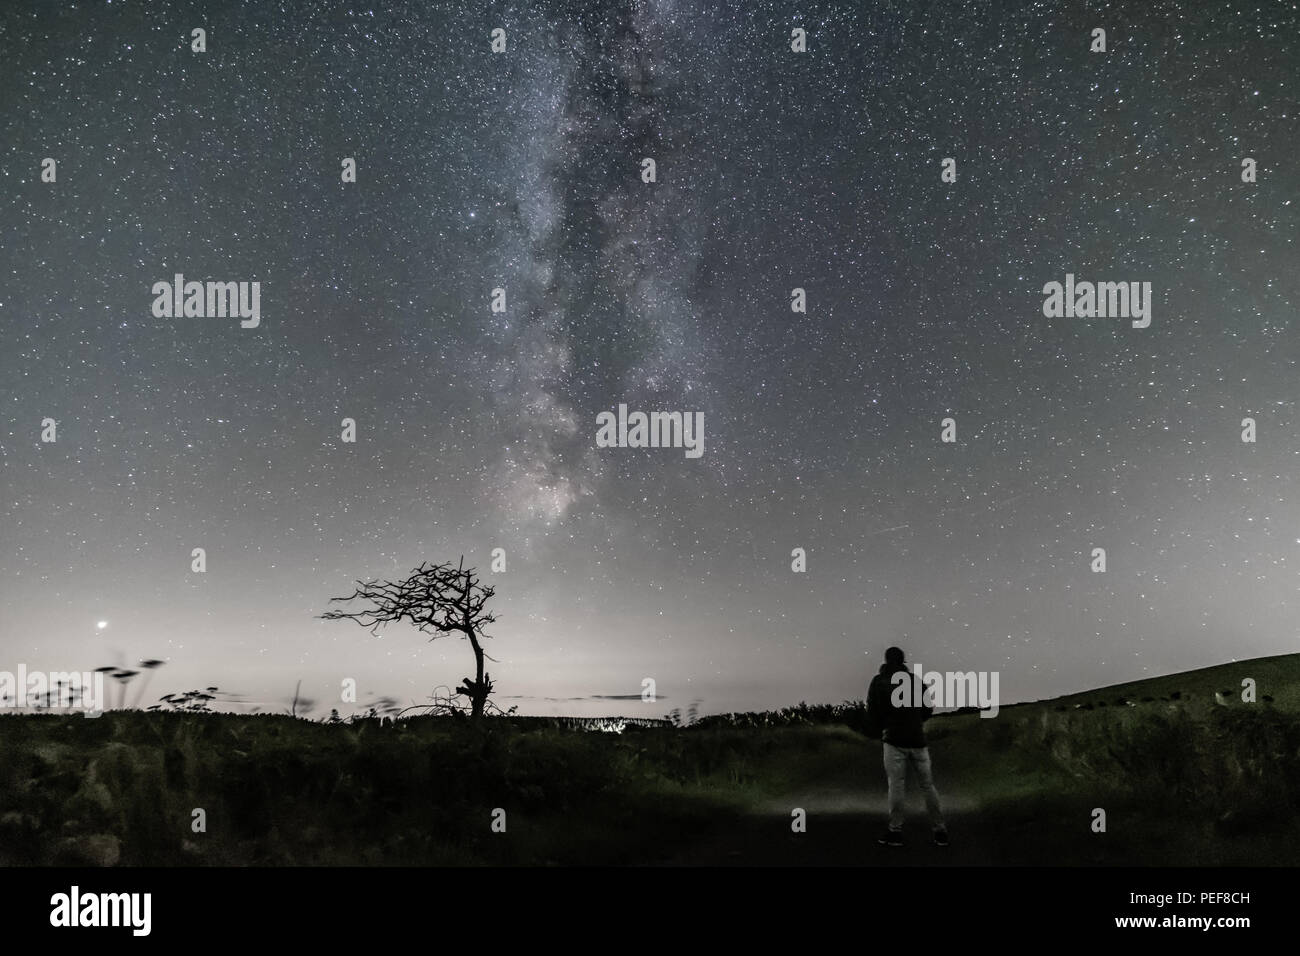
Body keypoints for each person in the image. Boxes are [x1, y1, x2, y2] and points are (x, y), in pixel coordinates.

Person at [865, 646, 949, 847]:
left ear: (886, 660)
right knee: (928, 786)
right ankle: (940, 831)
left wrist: (882, 727)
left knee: (896, 786)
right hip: (918, 740)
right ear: (903, 661)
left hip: (894, 740)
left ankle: (895, 831)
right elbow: (928, 709)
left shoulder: (879, 682)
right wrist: (914, 721)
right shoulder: (916, 681)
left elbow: (873, 711)